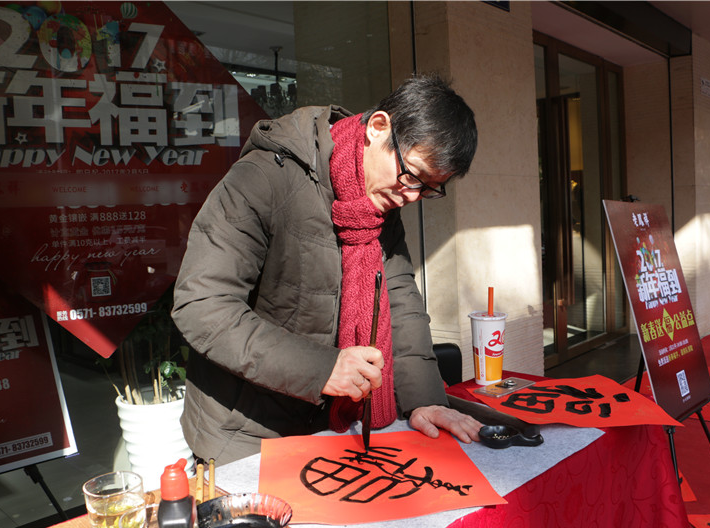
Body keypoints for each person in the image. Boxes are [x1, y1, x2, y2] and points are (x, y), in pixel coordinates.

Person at [172, 75, 483, 465]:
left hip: (333, 433)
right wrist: (322, 368)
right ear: (378, 127)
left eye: (429, 189)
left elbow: (399, 301)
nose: (411, 196)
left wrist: (424, 401)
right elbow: (202, 305)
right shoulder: (265, 177)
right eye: (412, 175)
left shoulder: (384, 200)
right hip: (246, 437)